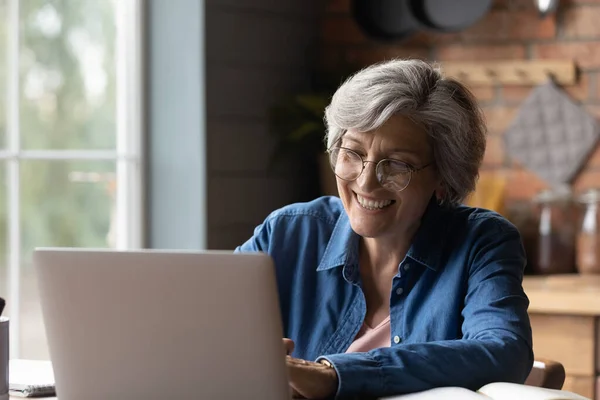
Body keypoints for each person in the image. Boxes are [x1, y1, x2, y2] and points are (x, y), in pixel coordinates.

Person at [236, 58, 533, 399]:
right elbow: (206, 325)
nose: (366, 182)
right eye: (352, 154)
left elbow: (504, 352)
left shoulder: (482, 242)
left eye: (396, 164)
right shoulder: (289, 233)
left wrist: (333, 375)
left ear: (443, 177)